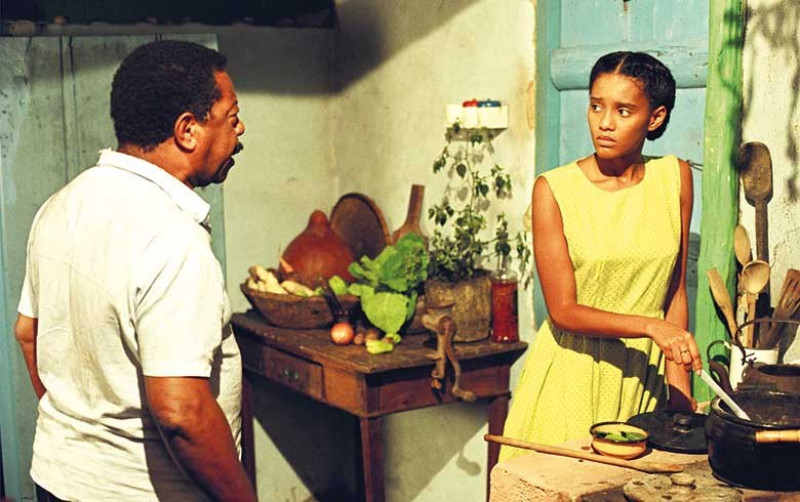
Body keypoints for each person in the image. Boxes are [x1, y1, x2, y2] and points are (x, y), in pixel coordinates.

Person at [14, 40, 256, 501]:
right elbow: (181, 412)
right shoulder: (174, 238)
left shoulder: (60, 206)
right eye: (231, 116)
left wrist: (82, 439)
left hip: (57, 479)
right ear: (188, 130)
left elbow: (29, 334)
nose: (240, 129)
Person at [500, 51, 702, 458]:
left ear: (655, 118)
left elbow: (675, 293)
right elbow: (563, 311)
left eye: (623, 110)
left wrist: (679, 396)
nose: (604, 123)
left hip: (642, 380)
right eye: (596, 106)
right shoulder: (554, 189)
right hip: (571, 376)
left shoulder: (674, 177)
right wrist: (651, 327)